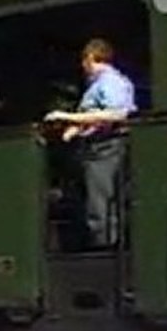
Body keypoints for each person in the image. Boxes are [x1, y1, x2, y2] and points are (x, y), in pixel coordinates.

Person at [43, 38, 136, 249]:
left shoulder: (111, 82)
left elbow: (117, 114)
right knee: (90, 203)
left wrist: (67, 116)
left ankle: (104, 251)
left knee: (101, 205)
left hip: (106, 149)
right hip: (92, 148)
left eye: (83, 62)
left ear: (90, 58)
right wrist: (73, 130)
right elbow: (95, 116)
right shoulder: (96, 86)